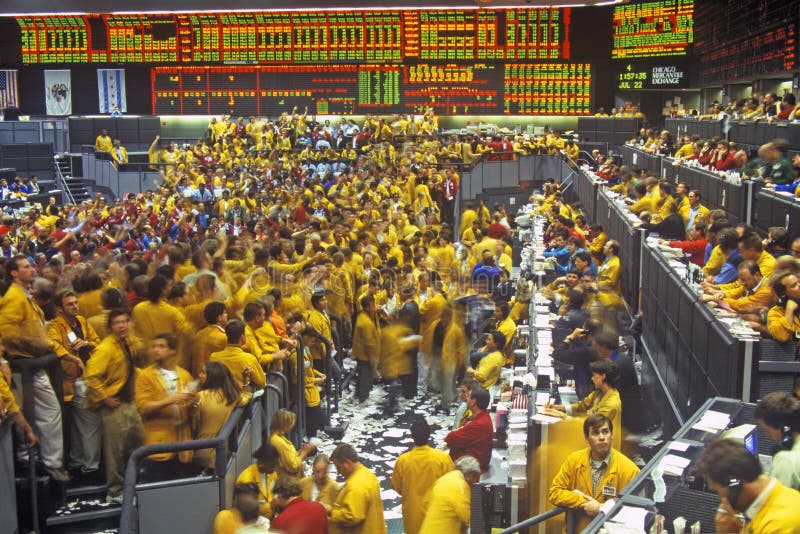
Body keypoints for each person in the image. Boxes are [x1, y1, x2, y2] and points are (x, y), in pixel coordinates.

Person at [0, 256, 68, 481]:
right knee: (36, 413)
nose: (32, 270)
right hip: (23, 366)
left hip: (32, 364)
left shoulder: (23, 295)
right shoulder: (14, 297)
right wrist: (35, 345)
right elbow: (7, 332)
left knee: (44, 412)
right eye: (26, 267)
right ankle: (34, 461)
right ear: (14, 273)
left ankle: (46, 461)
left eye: (31, 266)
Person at [83, 308, 145, 503]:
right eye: (118, 322)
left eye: (126, 321)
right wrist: (104, 398)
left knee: (138, 443)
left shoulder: (125, 342)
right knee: (115, 451)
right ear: (110, 327)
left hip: (129, 402)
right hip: (114, 405)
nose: (123, 325)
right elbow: (91, 377)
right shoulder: (106, 348)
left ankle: (135, 484)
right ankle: (115, 491)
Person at [548, 414, 640, 532]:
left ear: (612, 435)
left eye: (605, 432)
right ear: (587, 438)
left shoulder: (629, 470)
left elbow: (634, 511)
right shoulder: (574, 460)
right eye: (595, 433)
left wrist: (601, 508)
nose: (601, 437)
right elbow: (555, 492)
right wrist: (582, 502)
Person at [48, 289, 102, 475]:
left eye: (75, 302)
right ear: (59, 309)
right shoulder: (55, 326)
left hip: (87, 378)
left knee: (81, 424)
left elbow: (97, 342)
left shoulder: (82, 321)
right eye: (70, 304)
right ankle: (90, 465)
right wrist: (75, 359)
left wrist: (87, 344)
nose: (75, 306)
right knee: (88, 425)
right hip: (71, 382)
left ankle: (79, 460)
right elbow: (54, 346)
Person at [696, 438, 800, 534]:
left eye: (718, 492)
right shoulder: (778, 498)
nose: (722, 501)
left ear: (734, 484)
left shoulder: (779, 526)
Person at [135, 333, 197, 481]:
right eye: (154, 347)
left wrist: (194, 401)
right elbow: (143, 407)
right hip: (158, 444)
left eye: (161, 346)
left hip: (182, 443)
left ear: (172, 351)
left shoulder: (184, 374)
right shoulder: (145, 376)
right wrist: (171, 400)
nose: (156, 350)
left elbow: (190, 408)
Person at [391, 417, 454, 534]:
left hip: (412, 514)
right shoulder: (442, 459)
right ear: (429, 434)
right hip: (436, 513)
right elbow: (452, 485)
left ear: (412, 436)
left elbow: (397, 486)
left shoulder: (403, 461)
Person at [543, 359, 623, 449]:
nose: (592, 378)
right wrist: (559, 408)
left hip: (604, 450)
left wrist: (563, 416)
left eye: (594, 375)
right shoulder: (598, 393)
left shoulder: (611, 403)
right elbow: (582, 406)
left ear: (603, 377)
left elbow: (593, 425)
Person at [192, 361, 247, 471]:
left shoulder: (200, 397)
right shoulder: (233, 396)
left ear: (213, 377)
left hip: (200, 453)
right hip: (220, 454)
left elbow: (193, 426)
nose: (199, 375)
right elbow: (247, 396)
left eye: (203, 373)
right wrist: (245, 380)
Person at [326, 443, 387, 534]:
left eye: (339, 467)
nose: (338, 472)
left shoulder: (356, 485)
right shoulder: (367, 475)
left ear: (347, 463)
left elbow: (352, 516)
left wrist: (331, 511)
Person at [418, 455, 480, 534]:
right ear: (470, 474)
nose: (474, 482)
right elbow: (470, 518)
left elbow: (425, 503)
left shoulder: (444, 479)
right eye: (474, 477)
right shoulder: (461, 487)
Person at [754, 391, 800, 490]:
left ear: (784, 429)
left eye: (767, 430)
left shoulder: (787, 460)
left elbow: (776, 499)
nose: (767, 435)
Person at [444, 384, 493, 472]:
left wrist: (457, 431)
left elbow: (450, 438)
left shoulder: (478, 424)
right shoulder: (483, 416)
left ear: (473, 401)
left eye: (469, 396)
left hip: (471, 469)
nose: (466, 398)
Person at [209, 319, 266, 390]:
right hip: (243, 398)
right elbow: (261, 383)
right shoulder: (249, 358)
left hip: (220, 398)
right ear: (242, 337)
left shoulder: (214, 357)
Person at [269, 408, 317, 480]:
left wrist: (302, 450)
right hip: (289, 482)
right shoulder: (279, 442)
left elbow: (288, 457)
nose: (292, 426)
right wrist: (304, 452)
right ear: (284, 424)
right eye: (291, 423)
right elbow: (293, 466)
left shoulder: (277, 437)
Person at [235, 442, 280, 519]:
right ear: (261, 463)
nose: (275, 468)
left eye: (277, 464)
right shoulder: (246, 479)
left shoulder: (272, 473)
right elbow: (248, 509)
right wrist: (270, 505)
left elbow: (276, 494)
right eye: (272, 465)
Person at [352, 295, 381, 403]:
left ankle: (358, 395)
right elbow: (370, 344)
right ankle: (363, 398)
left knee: (362, 375)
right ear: (367, 308)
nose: (375, 307)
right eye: (373, 305)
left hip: (363, 353)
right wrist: (373, 358)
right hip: (365, 354)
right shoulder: (365, 323)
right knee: (365, 377)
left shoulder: (365, 315)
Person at [192, 301, 229, 377]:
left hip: (197, 377)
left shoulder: (198, 335)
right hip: (214, 379)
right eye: (225, 313)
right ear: (219, 318)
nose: (227, 315)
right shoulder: (223, 337)